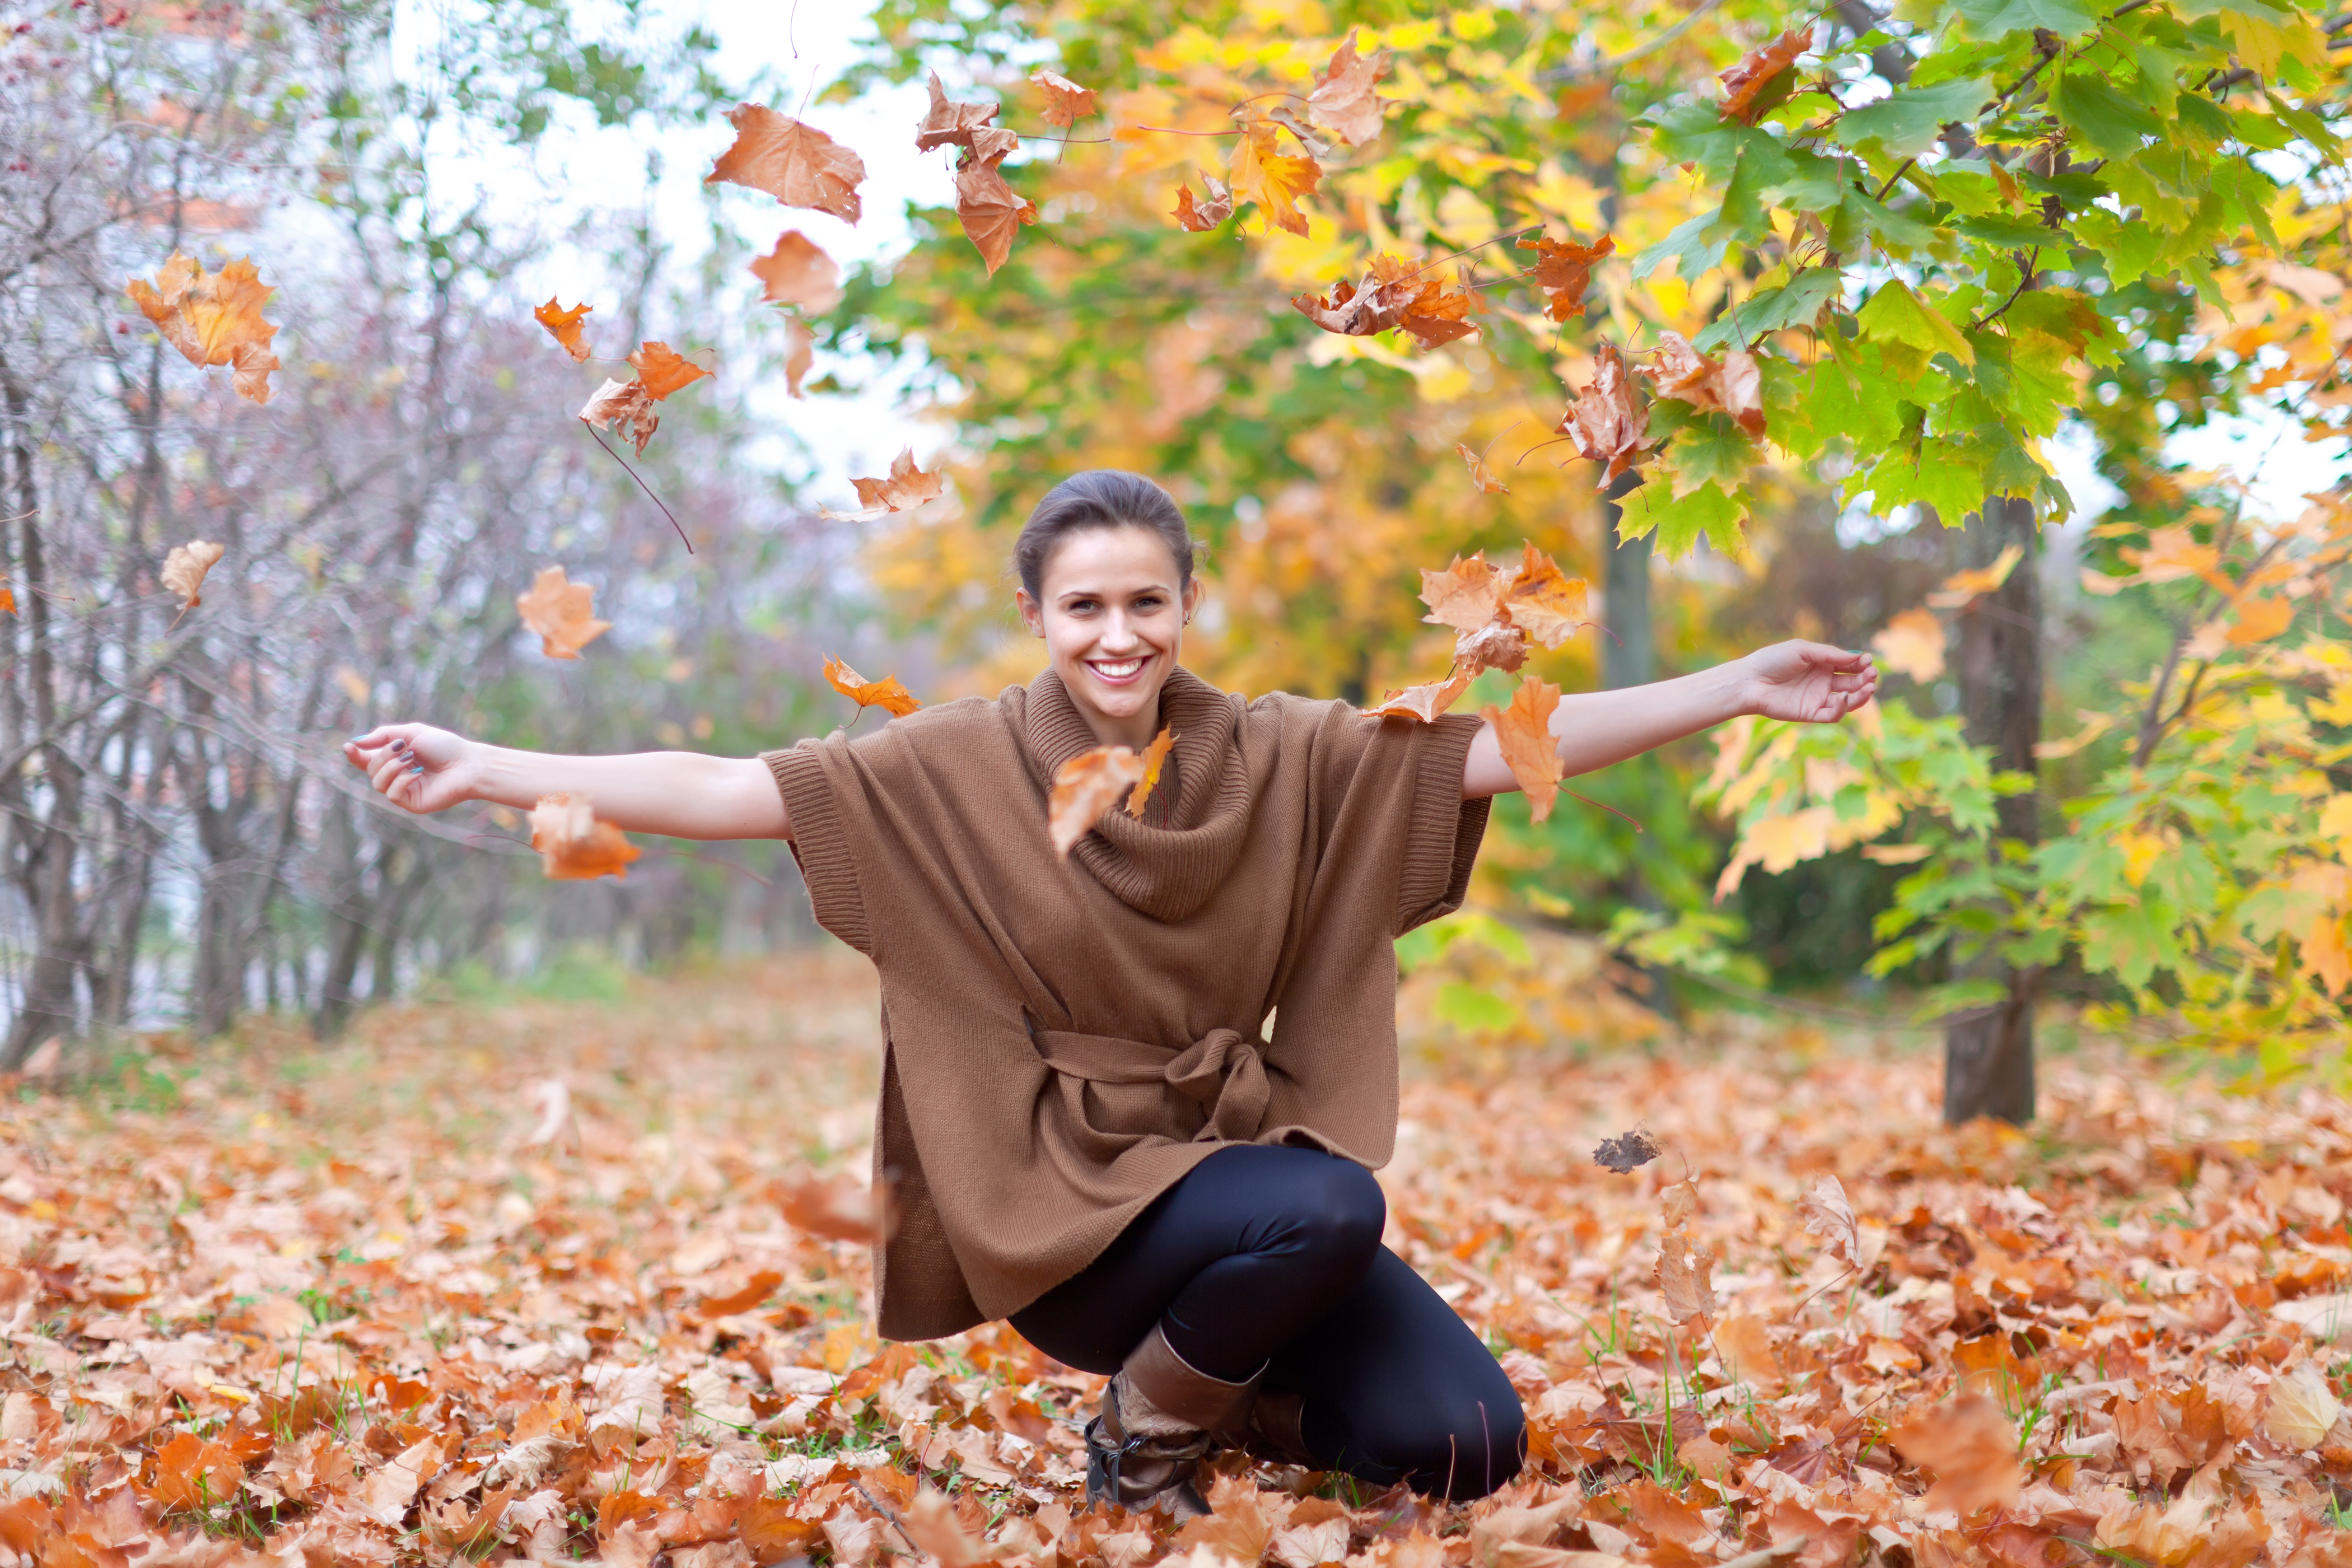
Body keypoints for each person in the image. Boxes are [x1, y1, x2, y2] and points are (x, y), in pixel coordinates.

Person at [345, 470, 1877, 1515]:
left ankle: (1226, 1394)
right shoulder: (950, 762)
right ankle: (1140, 1435)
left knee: (1465, 1445)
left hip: (1229, 1191)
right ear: (1038, 616)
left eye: (1146, 602)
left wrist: (1732, 686)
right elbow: (720, 783)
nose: (1118, 635)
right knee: (1332, 1206)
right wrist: (493, 771)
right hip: (1065, 1210)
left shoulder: (1279, 750)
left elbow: (1492, 746)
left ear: (1187, 605)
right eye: (1084, 608)